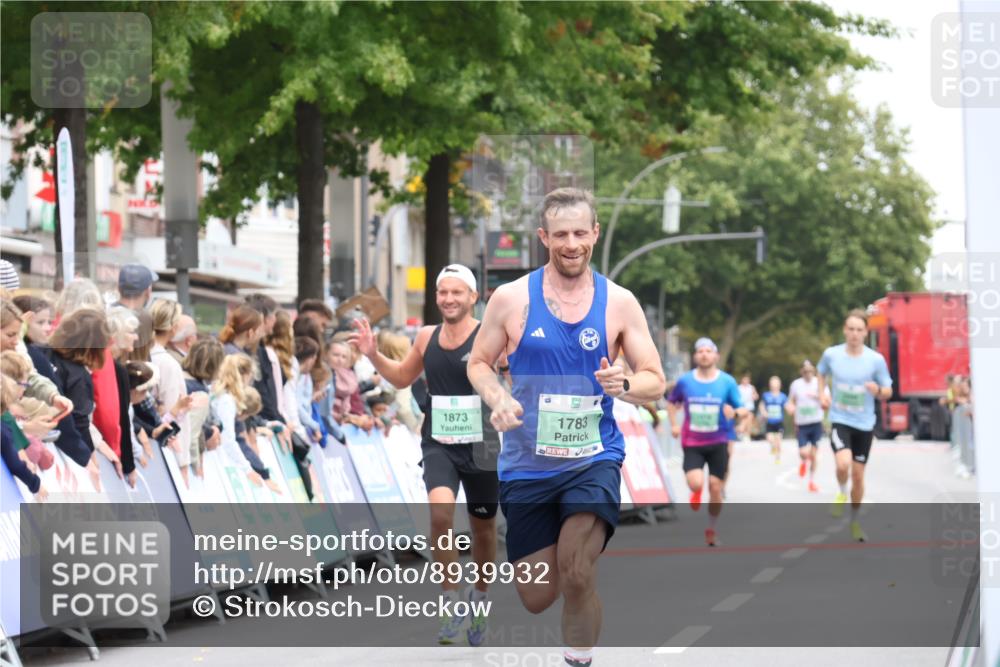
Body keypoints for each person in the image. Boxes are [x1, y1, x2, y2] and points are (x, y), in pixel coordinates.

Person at [466, 188, 666, 667]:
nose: (571, 243)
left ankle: (579, 658)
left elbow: (655, 379)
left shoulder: (619, 302)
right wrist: (498, 397)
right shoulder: (512, 298)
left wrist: (625, 383)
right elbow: (478, 363)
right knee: (537, 595)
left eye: (580, 232)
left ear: (595, 234)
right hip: (526, 466)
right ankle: (578, 588)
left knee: (576, 571)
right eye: (560, 234)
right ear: (543, 237)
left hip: (593, 459)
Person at [350, 263, 499, 646]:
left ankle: (480, 598)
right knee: (439, 515)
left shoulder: (489, 337)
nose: (448, 299)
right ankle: (451, 599)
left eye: (456, 292)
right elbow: (401, 377)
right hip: (439, 443)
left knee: (483, 529)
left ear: (472, 297)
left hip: (483, 447)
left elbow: (514, 377)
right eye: (443, 293)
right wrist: (371, 354)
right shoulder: (426, 337)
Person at [817, 309, 892, 542]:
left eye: (859, 330)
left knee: (858, 477)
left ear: (865, 332)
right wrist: (822, 393)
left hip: (865, 423)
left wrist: (877, 390)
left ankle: (855, 521)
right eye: (851, 329)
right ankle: (841, 492)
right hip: (840, 419)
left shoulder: (875, 360)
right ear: (844, 330)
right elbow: (821, 374)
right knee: (842, 463)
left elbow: (888, 390)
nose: (855, 334)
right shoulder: (832, 355)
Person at [666, 338, 747, 547]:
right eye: (700, 351)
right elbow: (671, 403)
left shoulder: (727, 382)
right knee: (695, 482)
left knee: (716, 487)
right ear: (695, 356)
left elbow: (744, 409)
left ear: (716, 356)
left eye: (708, 351)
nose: (704, 354)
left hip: (719, 440)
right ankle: (696, 491)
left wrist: (735, 413)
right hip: (692, 441)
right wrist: (674, 424)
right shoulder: (685, 381)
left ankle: (711, 528)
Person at [150, 299, 194, 483]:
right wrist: (183, 462)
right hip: (167, 452)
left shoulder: (142, 354)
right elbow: (176, 413)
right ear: (174, 328)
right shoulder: (168, 364)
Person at [786, 360, 826, 492]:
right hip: (802, 423)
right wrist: (790, 408)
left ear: (813, 371)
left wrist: (818, 397)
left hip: (816, 422)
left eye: (810, 371)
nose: (808, 373)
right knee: (803, 452)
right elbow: (790, 401)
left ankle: (812, 481)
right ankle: (804, 462)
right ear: (802, 372)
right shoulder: (796, 385)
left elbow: (827, 400)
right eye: (805, 371)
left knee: (813, 455)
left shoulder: (819, 383)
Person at [760, 376, 788, 464]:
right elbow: (761, 405)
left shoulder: (783, 396)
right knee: (770, 439)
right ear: (770, 385)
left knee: (778, 441)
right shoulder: (766, 395)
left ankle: (778, 458)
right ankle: (773, 446)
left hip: (779, 422)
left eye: (776, 384)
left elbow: (787, 406)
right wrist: (764, 412)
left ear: (779, 385)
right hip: (770, 422)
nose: (774, 386)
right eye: (773, 384)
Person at [736, 373, 758, 442]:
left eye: (747, 379)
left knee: (749, 419)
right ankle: (741, 431)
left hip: (749, 406)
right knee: (743, 420)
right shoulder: (738, 387)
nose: (746, 381)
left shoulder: (751, 387)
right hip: (742, 407)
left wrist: (754, 397)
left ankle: (746, 434)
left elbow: (756, 396)